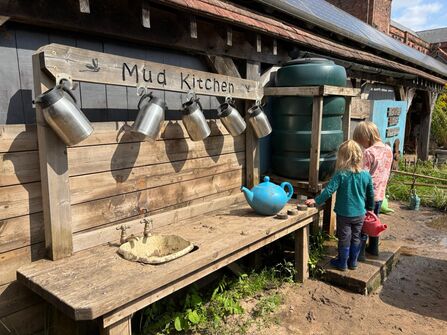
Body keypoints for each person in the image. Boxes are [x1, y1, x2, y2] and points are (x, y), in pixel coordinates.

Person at [305, 140, 375, 271]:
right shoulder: (366, 175)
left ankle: (342, 263)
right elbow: (371, 194)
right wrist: (370, 209)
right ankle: (353, 262)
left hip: (344, 214)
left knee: (344, 238)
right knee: (356, 237)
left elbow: (329, 191)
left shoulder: (341, 174)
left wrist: (316, 200)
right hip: (360, 213)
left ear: (342, 157)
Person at [353, 121, 393, 257]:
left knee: (364, 224)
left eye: (361, 141)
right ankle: (374, 248)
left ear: (367, 137)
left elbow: (363, 176)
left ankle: (361, 253)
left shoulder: (369, 152)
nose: (361, 144)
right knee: (375, 221)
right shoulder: (388, 149)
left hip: (366, 195)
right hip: (380, 194)